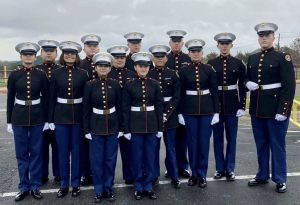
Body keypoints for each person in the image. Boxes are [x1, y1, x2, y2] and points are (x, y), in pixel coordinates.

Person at [246, 23, 295, 193]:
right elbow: (246, 80)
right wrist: (247, 83)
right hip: (258, 109)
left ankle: (280, 179)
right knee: (261, 144)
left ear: (273, 37)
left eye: (267, 35)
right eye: (261, 36)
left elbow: (289, 87)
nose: (264, 38)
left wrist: (284, 110)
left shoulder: (283, 57)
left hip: (276, 111)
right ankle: (262, 175)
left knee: (277, 145)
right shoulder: (252, 59)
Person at [7, 42, 48, 201]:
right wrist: (9, 121)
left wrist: (46, 119)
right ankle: (24, 186)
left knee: (37, 153)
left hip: (38, 117)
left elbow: (46, 98)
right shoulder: (14, 75)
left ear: (34, 57)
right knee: (21, 154)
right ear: (21, 57)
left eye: (31, 54)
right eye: (25, 55)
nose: (28, 57)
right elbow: (10, 98)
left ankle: (35, 186)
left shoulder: (41, 74)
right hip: (19, 117)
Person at [49, 41, 89, 198]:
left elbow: (86, 99)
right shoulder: (57, 74)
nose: (70, 56)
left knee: (77, 152)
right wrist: (51, 119)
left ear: (76, 56)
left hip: (78, 117)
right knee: (63, 152)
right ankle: (64, 184)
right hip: (61, 117)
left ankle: (76, 183)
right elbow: (52, 98)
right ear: (63, 56)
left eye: (72, 54)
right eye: (67, 54)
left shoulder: (83, 73)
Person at [178, 39, 219, 188]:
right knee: (192, 144)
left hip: (207, 111)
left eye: (198, 51)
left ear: (202, 53)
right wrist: (180, 113)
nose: (195, 54)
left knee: (203, 144)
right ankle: (194, 174)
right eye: (193, 51)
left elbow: (214, 91)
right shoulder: (183, 71)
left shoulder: (209, 69)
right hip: (189, 111)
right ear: (189, 53)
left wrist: (216, 112)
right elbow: (180, 93)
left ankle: (202, 175)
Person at [122, 52, 163, 200]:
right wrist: (126, 129)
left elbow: (159, 106)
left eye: (146, 66)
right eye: (141, 66)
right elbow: (125, 108)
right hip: (135, 125)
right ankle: (138, 186)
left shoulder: (155, 84)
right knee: (137, 157)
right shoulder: (129, 84)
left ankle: (149, 185)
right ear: (135, 67)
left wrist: (160, 128)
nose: (143, 68)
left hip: (152, 125)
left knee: (151, 157)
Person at [83, 52, 122, 203]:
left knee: (110, 159)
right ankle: (98, 190)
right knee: (97, 160)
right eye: (100, 66)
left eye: (106, 66)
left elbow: (120, 107)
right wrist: (86, 130)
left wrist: (121, 128)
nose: (103, 68)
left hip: (112, 125)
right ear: (96, 67)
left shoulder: (116, 84)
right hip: (96, 125)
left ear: (110, 68)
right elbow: (85, 108)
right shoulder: (89, 85)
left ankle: (108, 188)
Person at [207, 33, 246, 181]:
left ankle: (230, 168)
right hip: (216, 106)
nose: (224, 46)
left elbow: (242, 86)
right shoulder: (211, 63)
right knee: (217, 138)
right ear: (217, 45)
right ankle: (219, 168)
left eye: (227, 44)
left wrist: (242, 105)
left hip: (232, 105)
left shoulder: (239, 63)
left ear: (231, 45)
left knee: (232, 138)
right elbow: (210, 87)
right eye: (221, 44)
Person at [148, 45, 181, 189]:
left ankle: (174, 176)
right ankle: (154, 176)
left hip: (170, 116)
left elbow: (176, 97)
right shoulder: (148, 74)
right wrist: (158, 115)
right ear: (153, 59)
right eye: (157, 57)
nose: (159, 59)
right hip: (154, 117)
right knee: (153, 149)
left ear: (166, 58)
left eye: (162, 57)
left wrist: (166, 114)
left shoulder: (173, 74)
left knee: (171, 148)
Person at [107, 45, 136, 184]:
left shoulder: (132, 74)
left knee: (129, 149)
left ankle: (130, 176)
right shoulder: (106, 73)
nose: (119, 60)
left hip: (128, 116)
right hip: (111, 117)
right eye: (116, 57)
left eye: (122, 57)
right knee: (110, 153)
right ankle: (108, 179)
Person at [166, 30, 191, 178]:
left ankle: (184, 166)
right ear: (170, 44)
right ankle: (171, 167)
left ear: (182, 44)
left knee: (183, 139)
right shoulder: (164, 58)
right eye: (173, 41)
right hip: (170, 104)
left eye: (179, 41)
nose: (176, 43)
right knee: (171, 140)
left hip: (186, 104)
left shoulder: (188, 58)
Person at [36, 40, 61, 185]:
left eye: (52, 50)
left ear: (56, 53)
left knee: (58, 147)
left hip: (58, 114)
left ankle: (58, 174)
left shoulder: (61, 70)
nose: (49, 53)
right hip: (40, 115)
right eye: (46, 51)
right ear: (41, 53)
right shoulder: (36, 70)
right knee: (40, 147)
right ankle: (42, 175)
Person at [79, 34, 101, 186]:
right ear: (84, 48)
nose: (92, 48)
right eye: (89, 46)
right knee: (84, 144)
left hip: (101, 111)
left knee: (98, 145)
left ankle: (98, 173)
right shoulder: (79, 65)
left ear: (98, 47)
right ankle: (86, 173)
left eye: (94, 45)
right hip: (84, 109)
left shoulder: (104, 63)